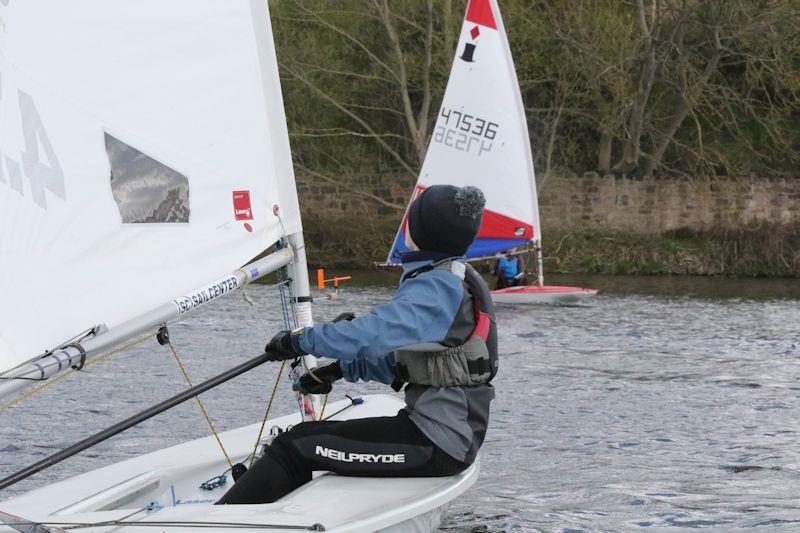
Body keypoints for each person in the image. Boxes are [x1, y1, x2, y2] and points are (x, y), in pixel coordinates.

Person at [216, 184, 498, 505]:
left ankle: (220, 521)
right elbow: (402, 360)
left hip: (437, 443)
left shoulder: (437, 287)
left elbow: (372, 334)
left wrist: (300, 341)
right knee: (305, 439)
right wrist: (337, 370)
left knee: (295, 446)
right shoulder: (449, 278)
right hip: (442, 435)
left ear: (419, 231)